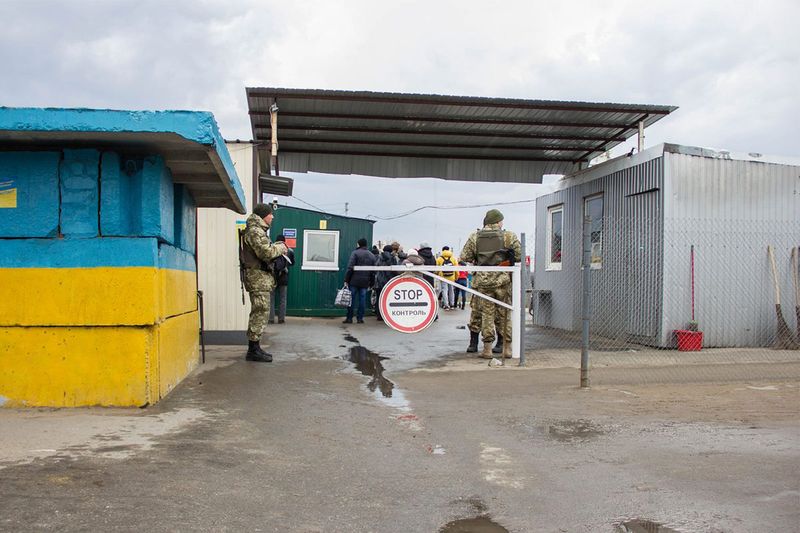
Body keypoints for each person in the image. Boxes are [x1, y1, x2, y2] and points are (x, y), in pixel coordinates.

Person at [460, 209, 521, 359]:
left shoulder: (475, 236)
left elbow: (464, 256)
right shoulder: (508, 236)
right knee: (505, 314)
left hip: (483, 282)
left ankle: (487, 349)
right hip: (503, 281)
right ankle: (507, 349)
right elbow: (519, 255)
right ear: (498, 221)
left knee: (486, 314)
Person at [240, 203, 288, 362]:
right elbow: (265, 253)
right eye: (270, 214)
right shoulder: (255, 231)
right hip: (257, 279)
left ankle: (255, 348)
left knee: (261, 312)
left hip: (260, 279)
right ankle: (253, 350)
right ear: (263, 215)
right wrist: (281, 247)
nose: (272, 216)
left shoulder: (257, 231)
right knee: (260, 312)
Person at [343, 237, 376, 324]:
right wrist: (371, 283)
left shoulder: (355, 253)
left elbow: (350, 267)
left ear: (359, 244)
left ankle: (349, 318)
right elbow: (373, 271)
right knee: (362, 300)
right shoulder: (371, 255)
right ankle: (360, 318)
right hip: (365, 282)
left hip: (354, 281)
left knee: (351, 299)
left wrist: (346, 279)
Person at [268, 234, 294, 325]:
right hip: (283, 276)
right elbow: (292, 263)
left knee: (271, 298)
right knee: (283, 298)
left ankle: (271, 319)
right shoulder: (289, 250)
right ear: (284, 241)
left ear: (276, 240)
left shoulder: (272, 249)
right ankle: (281, 319)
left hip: (272, 277)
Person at [374, 244, 398, 321]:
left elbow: (376, 267)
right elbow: (395, 270)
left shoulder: (379, 257)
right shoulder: (393, 258)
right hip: (389, 281)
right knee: (388, 299)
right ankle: (387, 315)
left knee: (379, 298)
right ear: (391, 250)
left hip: (379, 281)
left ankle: (379, 316)